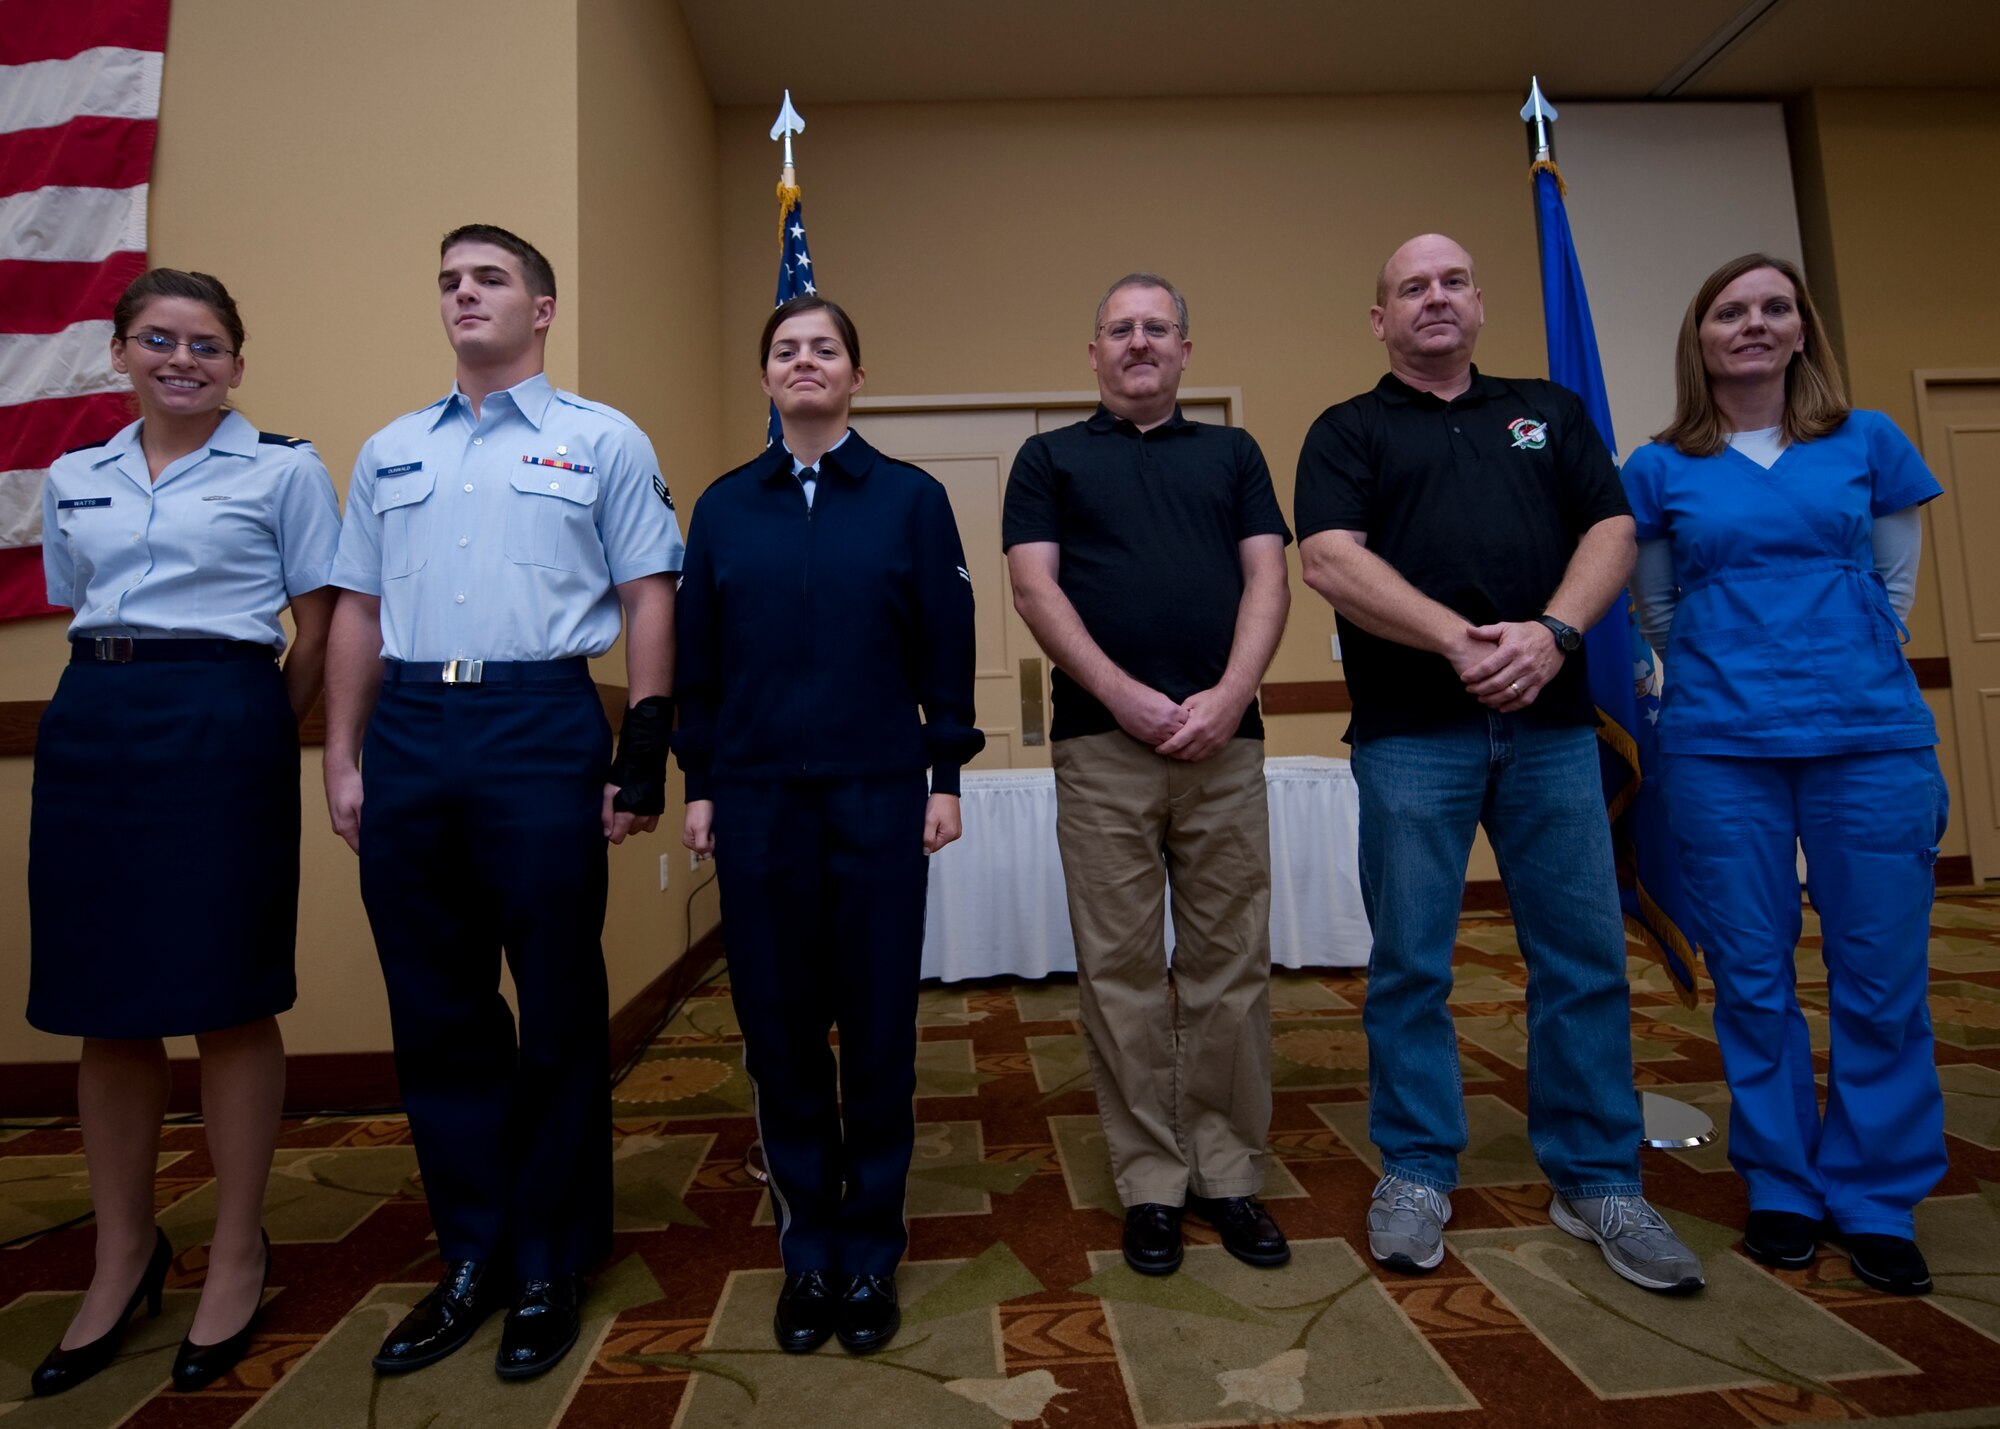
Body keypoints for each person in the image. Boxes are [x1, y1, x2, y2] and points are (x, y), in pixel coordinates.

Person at [1295, 233, 1703, 1294]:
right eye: (1407, 288)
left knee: (1579, 955)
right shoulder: (1346, 430)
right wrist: (1461, 639)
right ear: (1378, 320)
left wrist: (1552, 635)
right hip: (1408, 737)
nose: (1432, 298)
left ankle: (1598, 1177)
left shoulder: (1551, 414)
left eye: (1449, 282)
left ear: (1477, 303)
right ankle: (1419, 1167)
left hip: (1554, 727)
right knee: (1410, 965)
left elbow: (1610, 532)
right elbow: (1329, 558)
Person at [322, 224, 682, 1380]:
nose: (462, 293)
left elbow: (647, 595)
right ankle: (472, 1253)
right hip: (413, 730)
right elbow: (358, 615)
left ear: (541, 309)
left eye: (488, 279)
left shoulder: (601, 440)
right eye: (447, 281)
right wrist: (343, 754)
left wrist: (642, 755)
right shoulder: (388, 451)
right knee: (438, 1013)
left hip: (541, 723)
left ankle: (550, 1261)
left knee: (559, 1005)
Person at [27, 269, 340, 1395]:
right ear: (118, 352)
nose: (182, 358)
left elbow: (319, 621)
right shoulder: (73, 476)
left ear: (237, 366)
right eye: (157, 338)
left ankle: (238, 1247)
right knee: (101, 1003)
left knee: (226, 991)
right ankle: (122, 1253)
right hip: (94, 725)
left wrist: (262, 716)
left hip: (224, 725)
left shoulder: (284, 468)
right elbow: (80, 601)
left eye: (207, 344)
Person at [1622, 253, 1947, 1295]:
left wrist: (1831, 657)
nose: (1751, 324)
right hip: (1721, 746)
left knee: (1878, 978)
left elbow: (1892, 587)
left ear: (1800, 328)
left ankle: (1874, 1194)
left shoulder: (1866, 443)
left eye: (1772, 307)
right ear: (1700, 338)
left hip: (1868, 737)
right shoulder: (1661, 466)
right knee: (1753, 978)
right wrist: (1742, 669)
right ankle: (1780, 1184)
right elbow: (1658, 612)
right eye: (1728, 311)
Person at [675, 294, 982, 1356]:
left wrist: (944, 772)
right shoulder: (722, 508)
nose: (804, 362)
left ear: (855, 376)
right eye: (784, 350)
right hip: (756, 801)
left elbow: (947, 646)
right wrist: (699, 783)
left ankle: (871, 1245)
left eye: (825, 349)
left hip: (877, 794)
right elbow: (696, 664)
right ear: (764, 378)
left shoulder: (909, 500)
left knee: (880, 1030)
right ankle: (809, 1249)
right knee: (780, 1029)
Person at [1002, 273, 1293, 1279]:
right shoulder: (1047, 459)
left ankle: (1225, 1171)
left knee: (1228, 968)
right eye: (1118, 330)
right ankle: (1151, 1182)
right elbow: (1032, 587)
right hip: (1099, 746)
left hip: (1225, 743)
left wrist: (1228, 692)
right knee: (1121, 976)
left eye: (1155, 329)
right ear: (1093, 353)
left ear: (1184, 349)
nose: (1136, 343)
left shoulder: (1232, 454)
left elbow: (1268, 575)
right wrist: (1122, 693)